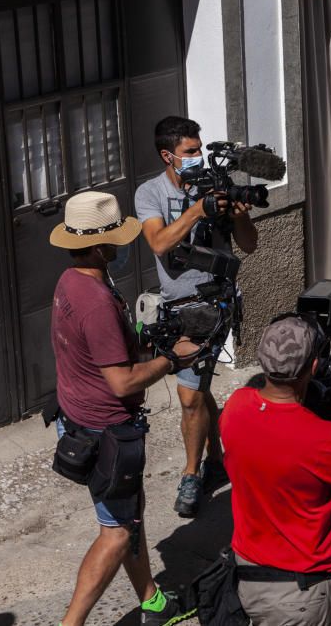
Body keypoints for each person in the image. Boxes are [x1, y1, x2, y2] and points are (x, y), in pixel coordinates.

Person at [48, 191, 198, 625]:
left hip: (79, 420)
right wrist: (174, 359)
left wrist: (142, 343)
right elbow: (121, 381)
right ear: (99, 246)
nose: (122, 243)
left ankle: (152, 602)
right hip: (106, 433)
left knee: (129, 515)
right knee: (115, 534)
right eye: (114, 237)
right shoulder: (94, 300)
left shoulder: (71, 281)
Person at [219, 316, 331, 625]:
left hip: (248, 579)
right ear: (312, 367)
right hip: (300, 597)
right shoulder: (324, 440)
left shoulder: (235, 407)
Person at [135, 116, 258, 517]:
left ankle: (192, 474)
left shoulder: (215, 183)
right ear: (168, 156)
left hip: (215, 303)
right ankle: (219, 458)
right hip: (176, 306)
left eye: (199, 150)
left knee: (189, 394)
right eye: (189, 152)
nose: (197, 158)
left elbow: (250, 245)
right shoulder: (149, 193)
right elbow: (157, 241)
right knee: (199, 388)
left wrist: (236, 213)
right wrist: (197, 212)